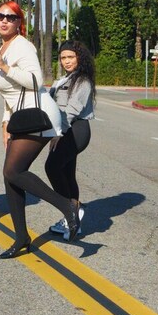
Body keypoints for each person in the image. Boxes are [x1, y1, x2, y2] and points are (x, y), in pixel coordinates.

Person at [0, 1, 81, 259]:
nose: (4, 20)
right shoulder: (2, 48)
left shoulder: (23, 46)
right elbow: (9, 95)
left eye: (10, 17)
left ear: (19, 22)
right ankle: (21, 238)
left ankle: (68, 207)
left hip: (38, 115)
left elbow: (35, 80)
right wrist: (5, 123)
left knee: (13, 171)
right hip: (21, 118)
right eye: (0, 16)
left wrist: (4, 66)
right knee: (10, 176)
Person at [45, 41, 95, 237]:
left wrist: (59, 132)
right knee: (67, 174)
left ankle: (72, 210)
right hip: (66, 128)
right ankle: (72, 221)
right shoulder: (64, 79)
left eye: (71, 57)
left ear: (79, 57)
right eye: (63, 57)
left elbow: (72, 110)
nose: (66, 61)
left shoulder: (83, 81)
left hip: (75, 129)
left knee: (52, 167)